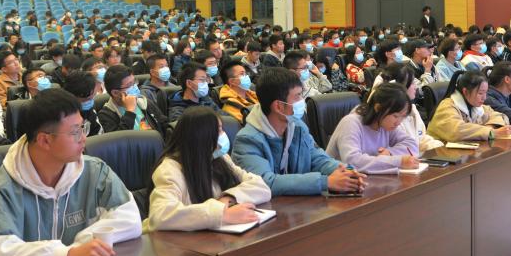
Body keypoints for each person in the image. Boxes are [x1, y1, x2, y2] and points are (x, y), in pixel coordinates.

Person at [0, 88, 142, 256]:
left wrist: (81, 244)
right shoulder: (1, 189)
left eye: (83, 128)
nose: (83, 138)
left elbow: (130, 219)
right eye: (75, 132)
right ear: (45, 141)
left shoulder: (95, 171)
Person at [232, 67, 363, 196]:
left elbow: (317, 158)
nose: (302, 100)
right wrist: (325, 182)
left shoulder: (297, 126)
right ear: (278, 106)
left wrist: (346, 171)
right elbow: (265, 183)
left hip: (300, 205)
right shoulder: (247, 141)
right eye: (297, 96)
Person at [145, 106, 270, 231]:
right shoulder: (169, 170)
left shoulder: (220, 158)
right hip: (178, 241)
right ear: (202, 136)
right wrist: (223, 214)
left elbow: (260, 186)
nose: (224, 135)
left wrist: (228, 198)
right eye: (219, 130)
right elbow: (160, 215)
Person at [325, 84, 420, 174]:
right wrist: (398, 161)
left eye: (402, 117)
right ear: (378, 108)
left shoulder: (385, 124)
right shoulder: (350, 123)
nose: (398, 122)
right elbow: (352, 161)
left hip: (368, 180)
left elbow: (412, 145)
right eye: (395, 116)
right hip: (338, 181)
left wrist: (390, 153)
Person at [428, 71, 511, 143]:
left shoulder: (476, 105)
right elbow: (457, 131)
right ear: (465, 91)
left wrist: (490, 127)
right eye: (480, 93)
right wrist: (491, 133)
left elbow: (500, 116)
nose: (484, 98)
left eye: (486, 93)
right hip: (439, 154)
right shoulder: (447, 106)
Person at [97, 65, 168, 137]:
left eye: (134, 82)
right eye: (129, 85)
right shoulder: (106, 115)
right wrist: (130, 111)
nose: (135, 86)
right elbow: (120, 140)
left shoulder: (143, 102)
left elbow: (164, 125)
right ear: (115, 93)